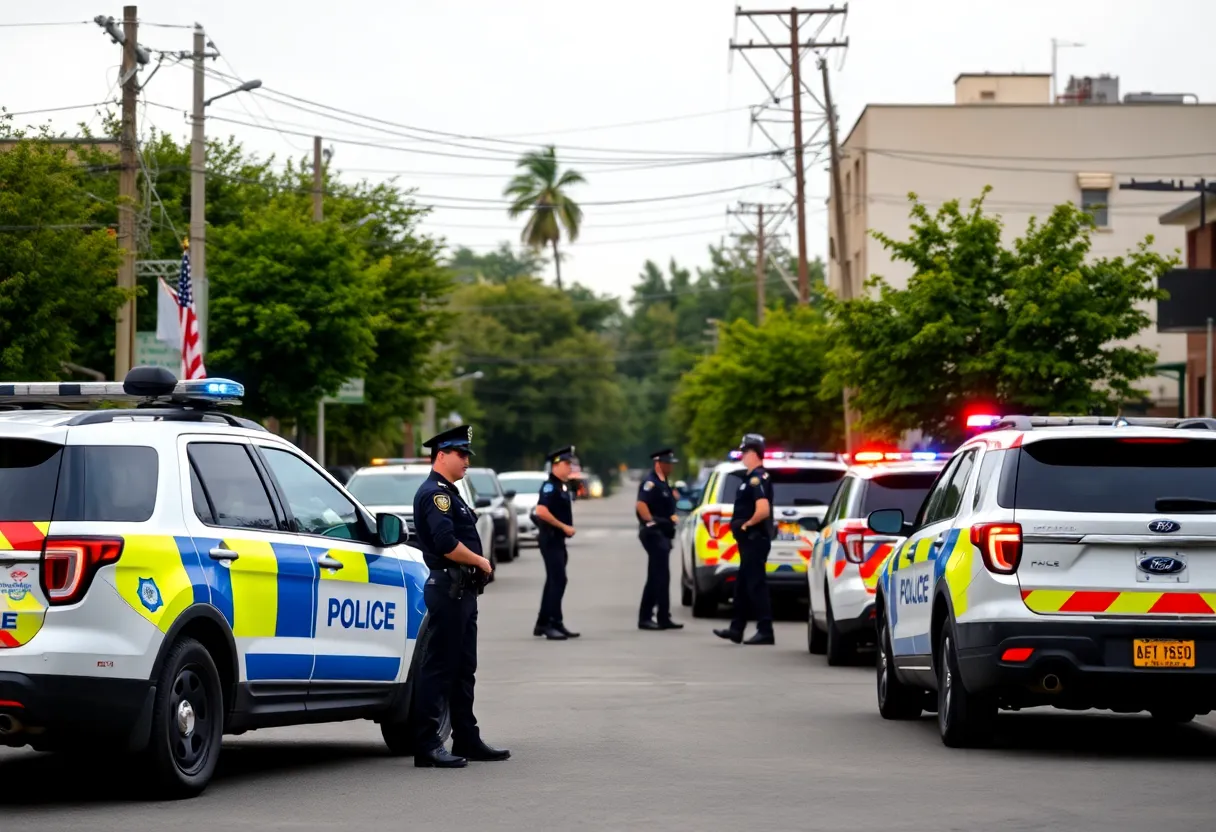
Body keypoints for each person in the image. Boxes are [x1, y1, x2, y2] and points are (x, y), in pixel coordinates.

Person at [411, 424, 511, 768]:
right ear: (442, 455)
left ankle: (466, 737)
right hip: (448, 589)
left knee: (463, 668)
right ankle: (426, 744)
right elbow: (444, 543)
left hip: (463, 591)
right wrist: (480, 560)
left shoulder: (450, 493)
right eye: (461, 454)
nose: (467, 461)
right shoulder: (435, 494)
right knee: (439, 668)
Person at [714, 433, 776, 646]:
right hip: (749, 540)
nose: (742, 456)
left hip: (754, 538)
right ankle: (736, 629)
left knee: (755, 585)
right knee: (742, 584)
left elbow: (763, 509)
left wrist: (746, 524)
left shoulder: (757, 478)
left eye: (744, 452)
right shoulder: (751, 477)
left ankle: (765, 630)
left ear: (753, 453)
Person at [533, 445, 579, 640]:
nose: (570, 468)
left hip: (558, 540)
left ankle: (545, 622)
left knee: (553, 580)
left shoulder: (562, 485)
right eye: (567, 464)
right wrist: (563, 527)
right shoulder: (550, 486)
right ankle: (550, 624)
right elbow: (541, 511)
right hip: (551, 539)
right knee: (558, 580)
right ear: (556, 465)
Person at [635, 448, 684, 631]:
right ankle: (645, 617)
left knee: (663, 576)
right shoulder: (650, 482)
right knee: (656, 576)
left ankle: (664, 616)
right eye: (668, 463)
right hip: (654, 534)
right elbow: (641, 504)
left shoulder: (664, 483)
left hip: (664, 534)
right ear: (659, 463)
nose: (671, 467)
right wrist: (652, 523)